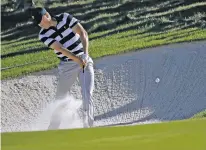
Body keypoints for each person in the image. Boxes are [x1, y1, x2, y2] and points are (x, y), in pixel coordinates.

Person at [30, 7, 95, 129]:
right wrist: (77, 60)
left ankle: (89, 125)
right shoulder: (43, 35)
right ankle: (53, 128)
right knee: (60, 96)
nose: (39, 24)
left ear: (46, 15)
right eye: (37, 23)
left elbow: (82, 33)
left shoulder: (65, 17)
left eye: (40, 20)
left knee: (87, 93)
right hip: (67, 65)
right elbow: (59, 48)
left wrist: (85, 55)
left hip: (84, 58)